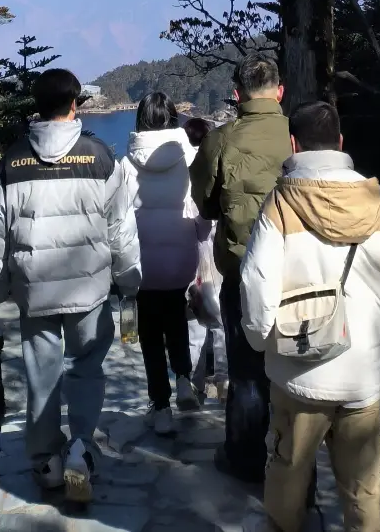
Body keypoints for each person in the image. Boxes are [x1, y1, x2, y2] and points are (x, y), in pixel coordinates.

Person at [240, 100, 380, 532]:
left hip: (297, 370)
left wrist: (260, 341)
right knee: (363, 489)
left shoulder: (280, 203)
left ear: (293, 143)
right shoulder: (377, 202)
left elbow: (256, 286)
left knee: (287, 475)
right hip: (361, 371)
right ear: (341, 142)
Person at [0, 67, 140, 504]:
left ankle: (46, 460)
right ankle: (81, 447)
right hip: (89, 288)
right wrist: (129, 278)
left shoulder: (12, 162)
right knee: (87, 365)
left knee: (41, 373)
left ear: (37, 105)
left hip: (35, 290)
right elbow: (121, 229)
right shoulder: (100, 156)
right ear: (75, 105)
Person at [190, 55, 291, 482]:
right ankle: (294, 466)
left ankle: (245, 459)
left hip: (243, 270)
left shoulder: (222, 139)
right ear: (280, 91)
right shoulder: (297, 134)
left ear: (237, 94)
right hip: (306, 274)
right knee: (295, 373)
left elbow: (206, 202)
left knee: (247, 373)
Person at [122, 91, 202, 434]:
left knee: (151, 334)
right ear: (173, 118)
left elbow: (118, 218)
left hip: (143, 260)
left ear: (140, 120)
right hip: (181, 254)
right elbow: (200, 210)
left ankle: (161, 406)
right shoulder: (190, 157)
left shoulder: (125, 165)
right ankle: (184, 378)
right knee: (176, 316)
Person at [183, 117, 228, 399]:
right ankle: (223, 381)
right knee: (221, 324)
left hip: (191, 257)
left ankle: (192, 382)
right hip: (217, 256)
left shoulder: (184, 174)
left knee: (194, 326)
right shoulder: (214, 171)